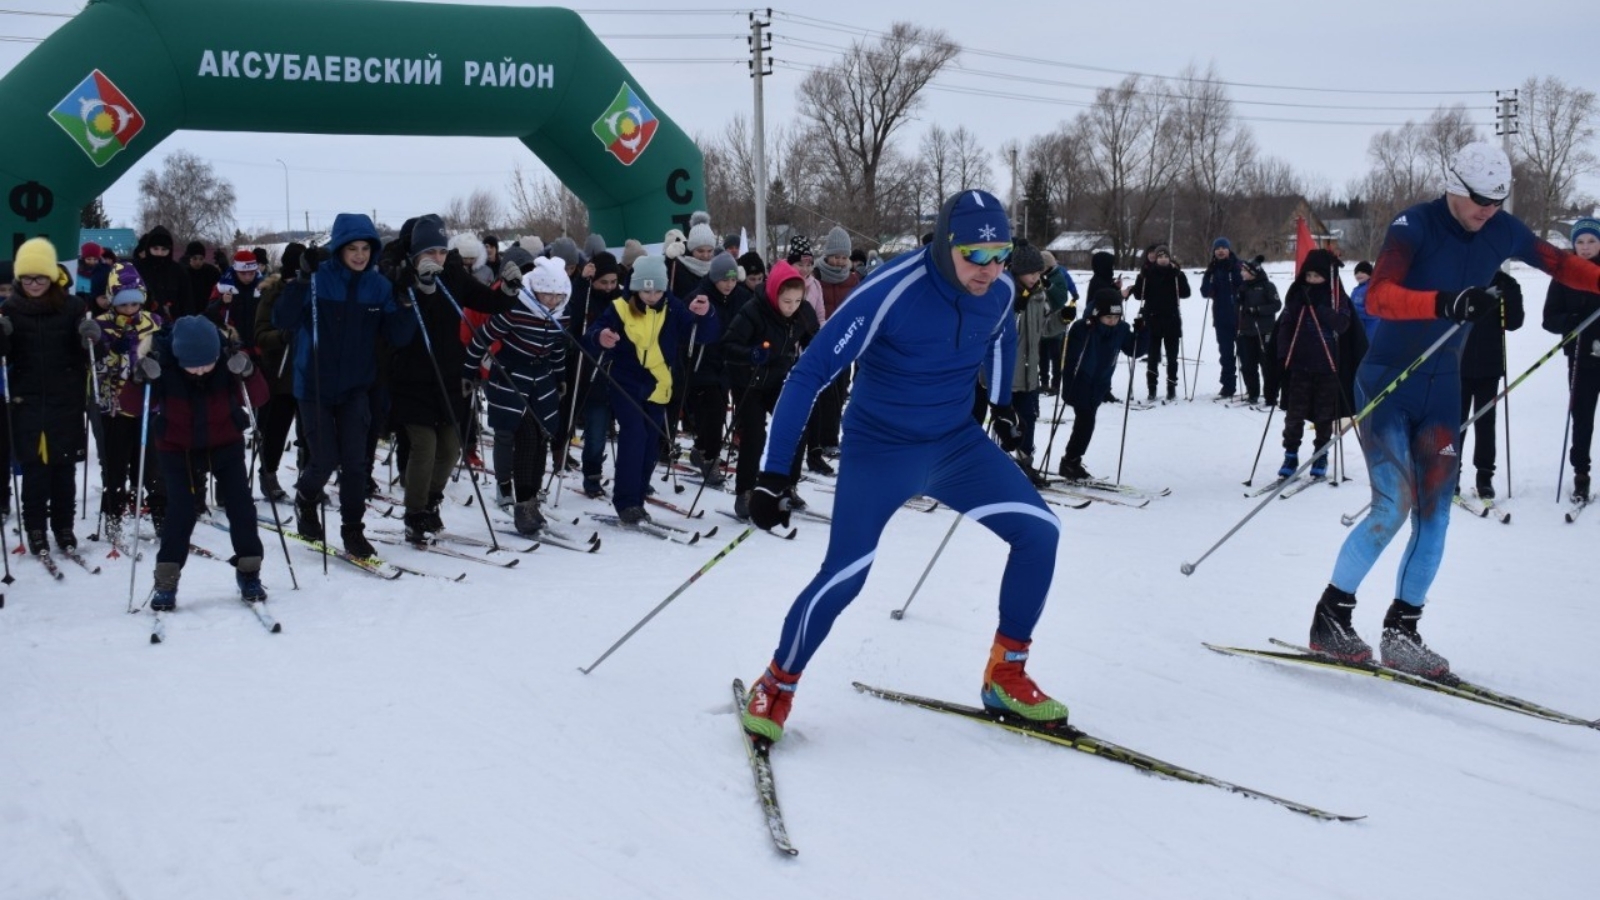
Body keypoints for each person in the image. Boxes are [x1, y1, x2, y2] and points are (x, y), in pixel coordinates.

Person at [740, 190, 1066, 744]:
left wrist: (1005, 407)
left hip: (955, 445)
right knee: (847, 575)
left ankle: (1005, 673)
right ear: (946, 244)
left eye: (1000, 254)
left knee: (1041, 531)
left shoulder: (1002, 287)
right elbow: (809, 374)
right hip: (880, 450)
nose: (989, 270)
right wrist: (773, 474)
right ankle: (778, 682)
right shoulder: (890, 291)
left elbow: (1000, 336)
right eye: (975, 256)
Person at [1312, 142, 1600, 678]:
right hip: (1387, 386)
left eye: (1497, 199)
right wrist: (1445, 303)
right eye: (1478, 199)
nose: (1487, 209)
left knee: (1436, 516)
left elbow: (1562, 264)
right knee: (1392, 505)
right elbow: (1378, 297)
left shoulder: (1504, 229)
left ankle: (1403, 631)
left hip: (1442, 390)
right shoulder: (1412, 225)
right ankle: (1331, 617)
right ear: (1452, 185)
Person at [272, 214, 418, 558]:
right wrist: (301, 279)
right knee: (323, 460)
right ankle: (306, 499)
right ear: (338, 249)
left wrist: (406, 298)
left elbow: (398, 336)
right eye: (352, 248)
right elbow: (284, 320)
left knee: (356, 463)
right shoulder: (318, 280)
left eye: (365, 248)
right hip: (315, 384)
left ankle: (353, 529)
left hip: (356, 387)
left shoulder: (378, 286)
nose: (359, 255)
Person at [384, 214, 519, 541]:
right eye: (429, 253)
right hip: (412, 378)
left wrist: (509, 290)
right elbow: (399, 322)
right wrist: (419, 287)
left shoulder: (454, 274)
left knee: (450, 449)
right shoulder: (402, 278)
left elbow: (486, 301)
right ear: (415, 254)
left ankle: (431, 502)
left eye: (442, 252)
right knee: (425, 447)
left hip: (448, 375)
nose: (437, 259)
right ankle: (414, 513)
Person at [137, 316, 269, 611]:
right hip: (176, 446)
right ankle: (166, 581)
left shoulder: (227, 360)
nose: (200, 370)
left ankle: (249, 572)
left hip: (224, 441)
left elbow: (259, 398)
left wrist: (248, 371)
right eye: (192, 364)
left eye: (206, 363)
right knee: (181, 512)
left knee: (241, 507)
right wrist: (140, 377)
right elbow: (134, 407)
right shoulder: (163, 364)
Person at [586, 255, 717, 524]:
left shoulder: (672, 306)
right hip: (627, 384)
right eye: (646, 290)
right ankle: (626, 502)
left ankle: (638, 496)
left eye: (657, 289)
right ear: (635, 287)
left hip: (659, 385)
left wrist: (706, 315)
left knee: (649, 444)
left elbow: (701, 334)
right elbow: (593, 334)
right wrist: (601, 337)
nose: (652, 295)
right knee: (633, 435)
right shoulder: (620, 308)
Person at [0, 238, 100, 555]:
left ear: (51, 276)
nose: (33, 284)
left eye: (39, 277)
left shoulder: (73, 307)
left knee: (63, 468)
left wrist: (90, 337)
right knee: (34, 469)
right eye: (27, 278)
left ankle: (63, 527)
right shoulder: (11, 309)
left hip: (65, 398)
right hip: (26, 400)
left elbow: (92, 353)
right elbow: (6, 356)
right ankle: (35, 529)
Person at [465, 257, 570, 537]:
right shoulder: (515, 310)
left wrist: (560, 378)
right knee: (525, 440)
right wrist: (468, 373)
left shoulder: (562, 315)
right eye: (546, 294)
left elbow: (557, 349)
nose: (551, 300)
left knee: (540, 441)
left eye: (558, 295)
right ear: (535, 290)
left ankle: (532, 499)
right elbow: (481, 338)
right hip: (511, 379)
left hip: (542, 383)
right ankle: (522, 506)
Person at [720, 260, 819, 519]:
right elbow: (728, 345)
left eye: (797, 301)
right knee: (754, 434)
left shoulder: (802, 313)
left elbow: (814, 340)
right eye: (787, 301)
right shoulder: (753, 310)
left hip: (777, 379)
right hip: (748, 381)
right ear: (775, 294)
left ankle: (787, 485)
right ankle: (745, 492)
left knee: (795, 426)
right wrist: (751, 354)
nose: (792, 307)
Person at [91, 264, 162, 547]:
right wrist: (111, 352)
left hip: (148, 405)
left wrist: (157, 357)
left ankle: (159, 513)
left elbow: (165, 354)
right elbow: (94, 367)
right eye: (123, 303)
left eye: (135, 302)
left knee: (153, 465)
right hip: (116, 406)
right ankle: (113, 514)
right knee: (116, 462)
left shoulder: (153, 321)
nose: (130, 308)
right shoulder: (102, 325)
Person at [1273, 249, 1350, 480]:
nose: (1313, 280)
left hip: (1327, 365)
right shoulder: (1298, 294)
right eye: (1309, 276)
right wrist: (1283, 353)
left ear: (1327, 276)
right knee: (1294, 414)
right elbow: (1285, 325)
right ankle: (1290, 454)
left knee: (1324, 415)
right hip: (1300, 364)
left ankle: (1321, 453)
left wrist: (1321, 310)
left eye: (1318, 277)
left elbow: (1343, 324)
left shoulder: (1336, 296)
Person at [1542, 216, 1600, 504]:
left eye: (1591, 241)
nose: (1586, 247)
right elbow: (1549, 319)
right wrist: (1573, 321)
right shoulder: (1565, 274)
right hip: (1581, 358)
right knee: (1582, 418)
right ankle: (1581, 474)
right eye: (1580, 242)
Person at [685, 250, 751, 486]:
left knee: (718, 411)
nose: (729, 284)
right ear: (714, 277)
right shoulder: (700, 295)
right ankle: (710, 458)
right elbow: (686, 323)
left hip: (728, 364)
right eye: (725, 279)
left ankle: (701, 449)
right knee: (713, 411)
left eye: (733, 279)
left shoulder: (741, 296)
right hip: (703, 365)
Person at [1457, 270, 1523, 498]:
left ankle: (1484, 476)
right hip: (1457, 366)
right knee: (1456, 422)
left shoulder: (1505, 283)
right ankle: (1450, 474)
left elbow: (1514, 323)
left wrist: (1509, 293)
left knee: (1486, 423)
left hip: (1489, 365)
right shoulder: (1460, 276)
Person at [1057, 288, 1135, 480]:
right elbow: (1069, 360)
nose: (1112, 321)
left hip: (1099, 385)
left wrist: (1143, 331)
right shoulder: (1083, 328)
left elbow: (1136, 350)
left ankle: (1071, 461)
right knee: (1086, 423)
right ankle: (1070, 462)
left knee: (1085, 424)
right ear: (1098, 314)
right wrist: (1067, 386)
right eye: (1108, 317)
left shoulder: (1121, 329)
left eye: (1116, 317)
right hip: (1081, 382)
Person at [252, 243, 306, 503]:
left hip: (308, 372)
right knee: (276, 429)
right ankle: (268, 474)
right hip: (280, 374)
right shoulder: (273, 292)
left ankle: (308, 479)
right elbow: (260, 334)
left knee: (310, 433)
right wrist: (282, 336)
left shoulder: (312, 289)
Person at [1126, 243, 1191, 401]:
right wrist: (1141, 278)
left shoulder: (1176, 274)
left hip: (1172, 319)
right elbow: (1138, 296)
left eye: (1166, 256)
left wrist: (1179, 276)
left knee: (1172, 356)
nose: (1163, 259)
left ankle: (1171, 388)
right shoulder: (1148, 273)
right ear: (1155, 258)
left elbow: (1186, 293)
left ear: (1170, 258)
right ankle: (1152, 388)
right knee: (1153, 357)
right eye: (1160, 256)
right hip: (1152, 318)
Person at [1234, 256, 1282, 407]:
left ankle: (1271, 396)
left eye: (1244, 270)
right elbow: (1239, 306)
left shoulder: (1268, 286)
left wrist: (1258, 310)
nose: (1241, 272)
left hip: (1264, 331)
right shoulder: (1243, 286)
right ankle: (1253, 393)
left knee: (1267, 365)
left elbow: (1276, 305)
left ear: (1253, 272)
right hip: (1246, 331)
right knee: (1248, 365)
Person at [1200, 237, 1243, 398]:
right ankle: (1228, 386)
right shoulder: (1212, 269)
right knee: (1226, 354)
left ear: (1229, 250)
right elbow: (1205, 292)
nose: (1220, 251)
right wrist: (1209, 280)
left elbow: (1244, 285)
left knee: (1245, 355)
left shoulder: (1238, 265)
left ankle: (1253, 388)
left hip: (1240, 317)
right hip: (1221, 318)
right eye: (1217, 248)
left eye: (1223, 248)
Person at [1349, 261, 1378, 338]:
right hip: (1359, 326)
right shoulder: (1356, 290)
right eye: (1356, 273)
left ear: (1370, 274)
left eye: (1362, 272)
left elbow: (1372, 311)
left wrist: (1354, 311)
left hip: (1370, 327)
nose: (1358, 275)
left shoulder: (1372, 289)